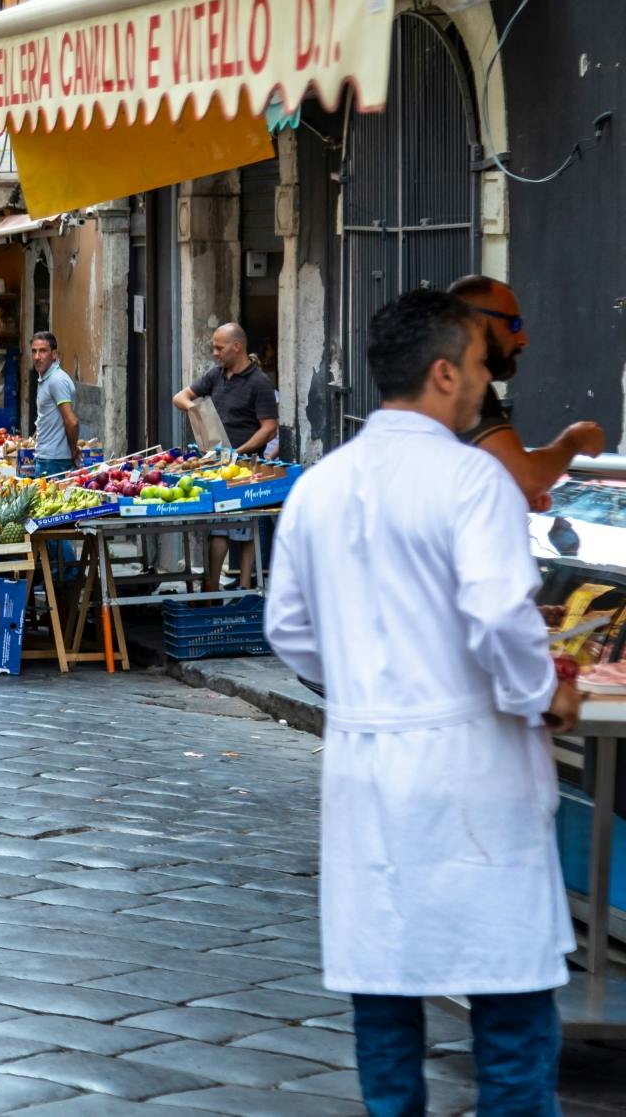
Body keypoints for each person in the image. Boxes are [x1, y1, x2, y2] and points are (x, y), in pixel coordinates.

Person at [265, 288, 580, 1117]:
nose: (484, 381)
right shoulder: (472, 479)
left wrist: (368, 681)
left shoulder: (320, 486)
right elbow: (500, 615)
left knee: (386, 997)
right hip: (473, 770)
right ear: (444, 373)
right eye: (477, 364)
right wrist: (543, 694)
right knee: (510, 1006)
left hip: (366, 770)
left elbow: (287, 628)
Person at [450, 275, 606, 509]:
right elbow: (527, 479)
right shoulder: (463, 384)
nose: (523, 339)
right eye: (513, 324)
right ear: (475, 322)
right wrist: (574, 440)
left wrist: (511, 494)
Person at [172, 322, 279, 591]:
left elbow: (269, 427)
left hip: (246, 467)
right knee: (219, 527)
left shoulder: (259, 383)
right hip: (217, 465)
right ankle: (211, 589)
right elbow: (180, 397)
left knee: (245, 526)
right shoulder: (216, 375)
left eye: (219, 348)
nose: (215, 353)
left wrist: (238, 452)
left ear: (237, 347)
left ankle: (243, 588)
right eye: (214, 348)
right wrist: (197, 411)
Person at [31, 331, 79, 477]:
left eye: (43, 351)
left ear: (54, 354)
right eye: (34, 351)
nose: (37, 357)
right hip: (47, 457)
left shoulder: (56, 380)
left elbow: (72, 422)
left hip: (53, 461)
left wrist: (73, 449)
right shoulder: (46, 377)